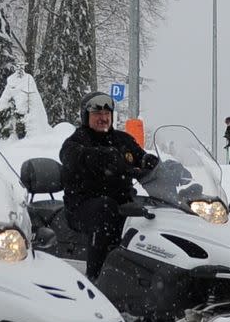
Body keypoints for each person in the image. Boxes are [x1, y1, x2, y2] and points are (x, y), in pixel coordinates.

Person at [59, 91, 159, 280]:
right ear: (86, 116)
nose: (103, 118)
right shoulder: (76, 142)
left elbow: (139, 156)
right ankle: (95, 278)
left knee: (153, 212)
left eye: (107, 114)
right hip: (82, 206)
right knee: (106, 208)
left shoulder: (123, 140)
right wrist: (103, 158)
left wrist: (150, 162)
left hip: (121, 202)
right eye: (97, 114)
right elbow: (70, 156)